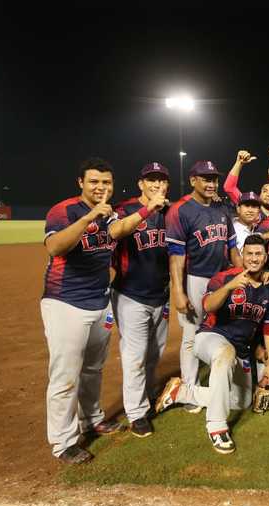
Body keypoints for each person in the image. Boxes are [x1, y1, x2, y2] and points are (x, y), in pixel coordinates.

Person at [155, 235, 269, 454]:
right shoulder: (224, 277)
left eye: (258, 254)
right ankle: (217, 426)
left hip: (241, 349)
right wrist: (229, 286)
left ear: (265, 257)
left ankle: (182, 393)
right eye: (249, 253)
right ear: (242, 255)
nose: (254, 258)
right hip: (210, 337)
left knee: (241, 401)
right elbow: (208, 306)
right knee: (224, 354)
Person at [41, 157, 123, 464]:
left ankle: (92, 418)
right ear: (81, 183)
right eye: (94, 181)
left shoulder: (111, 215)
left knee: (93, 368)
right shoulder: (64, 210)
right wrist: (89, 216)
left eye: (106, 182)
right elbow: (55, 247)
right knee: (65, 375)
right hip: (65, 302)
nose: (101, 187)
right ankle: (63, 441)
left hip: (101, 302)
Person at [166, 160, 241, 407]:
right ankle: (189, 388)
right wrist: (178, 291)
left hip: (221, 278)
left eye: (214, 179)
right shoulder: (180, 210)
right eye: (206, 179)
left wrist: (242, 274)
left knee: (222, 326)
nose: (211, 184)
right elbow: (176, 257)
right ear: (193, 180)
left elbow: (233, 248)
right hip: (195, 278)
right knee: (191, 333)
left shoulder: (221, 209)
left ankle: (224, 377)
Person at [109, 162, 170, 438]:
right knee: (135, 356)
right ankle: (136, 413)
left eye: (162, 180)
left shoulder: (169, 212)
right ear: (141, 184)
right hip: (130, 295)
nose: (157, 184)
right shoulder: (125, 209)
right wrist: (148, 209)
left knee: (155, 352)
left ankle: (147, 394)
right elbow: (116, 231)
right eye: (151, 180)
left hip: (161, 294)